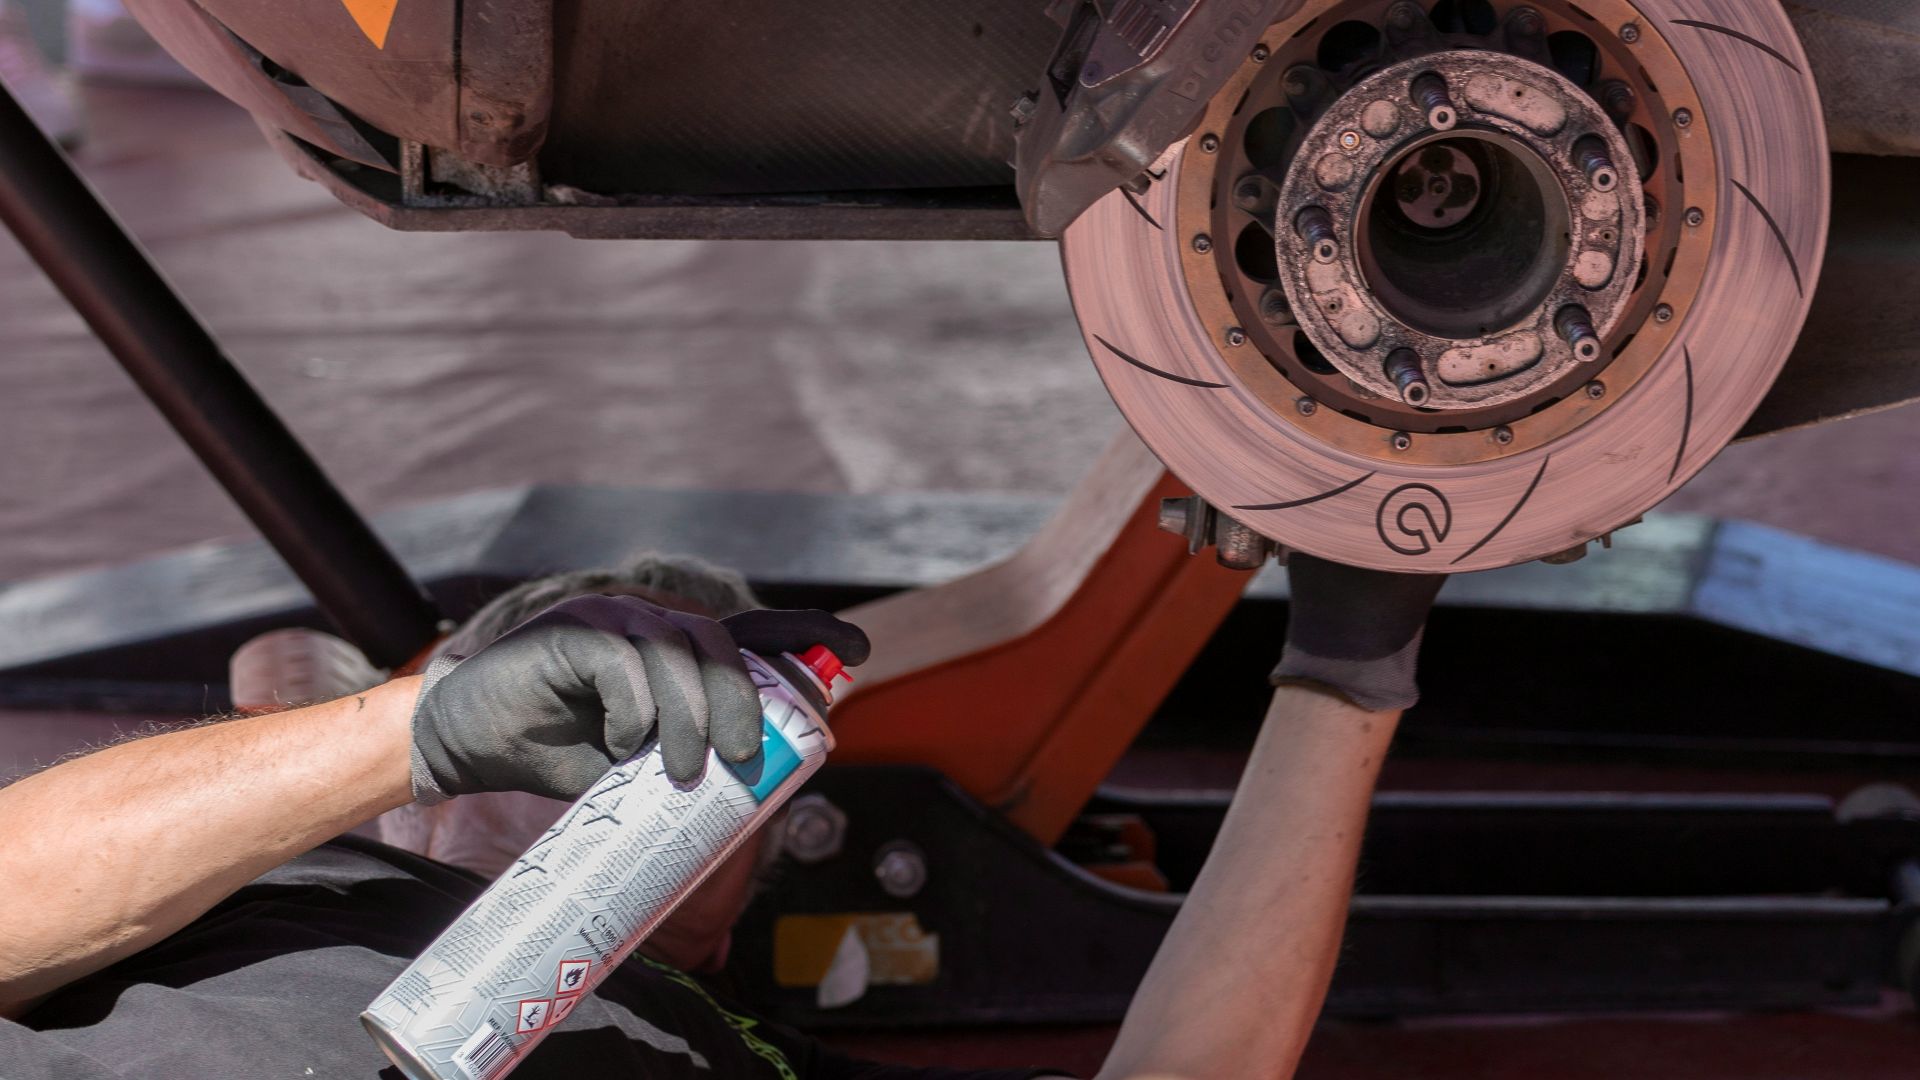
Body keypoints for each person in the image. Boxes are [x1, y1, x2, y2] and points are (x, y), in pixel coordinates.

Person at [0, 548, 1443, 1078]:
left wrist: (1346, 669)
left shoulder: (739, 1054)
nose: (654, 782)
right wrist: (405, 735)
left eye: (711, 769)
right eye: (595, 708)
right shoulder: (241, 875)